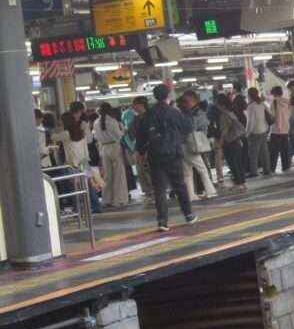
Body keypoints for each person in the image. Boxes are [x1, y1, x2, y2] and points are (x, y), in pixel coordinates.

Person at [135, 85, 197, 232]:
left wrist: (141, 150)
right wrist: (186, 112)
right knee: (180, 185)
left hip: (155, 154)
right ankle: (188, 215)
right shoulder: (173, 112)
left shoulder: (148, 114)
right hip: (173, 153)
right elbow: (187, 127)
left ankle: (162, 221)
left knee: (159, 189)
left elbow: (141, 135)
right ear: (168, 95)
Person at [60, 102, 101, 214]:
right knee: (88, 184)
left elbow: (53, 136)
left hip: (72, 163)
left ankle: (78, 208)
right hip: (84, 160)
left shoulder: (65, 134)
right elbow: (89, 141)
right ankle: (96, 206)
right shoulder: (81, 129)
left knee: (75, 187)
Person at [180, 90, 218, 201]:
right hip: (189, 145)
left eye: (186, 101)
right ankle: (209, 191)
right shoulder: (191, 113)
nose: (185, 103)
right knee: (198, 169)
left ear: (193, 101)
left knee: (189, 171)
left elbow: (198, 127)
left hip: (188, 144)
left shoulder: (195, 113)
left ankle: (192, 195)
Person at [92, 102, 129, 209]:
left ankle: (106, 199)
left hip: (104, 148)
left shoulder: (96, 122)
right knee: (119, 175)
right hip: (115, 147)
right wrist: (123, 130)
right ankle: (119, 199)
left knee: (107, 176)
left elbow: (96, 137)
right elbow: (119, 135)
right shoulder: (113, 121)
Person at [215, 94, 247, 189]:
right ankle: (242, 182)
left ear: (221, 104)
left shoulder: (223, 115)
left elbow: (224, 131)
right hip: (237, 140)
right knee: (238, 161)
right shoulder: (231, 112)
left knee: (233, 162)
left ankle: (238, 183)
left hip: (230, 141)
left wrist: (220, 143)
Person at [246, 87, 271, 176]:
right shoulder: (261, 103)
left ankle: (253, 172)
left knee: (253, 153)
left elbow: (250, 121)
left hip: (255, 132)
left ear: (249, 95)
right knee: (264, 152)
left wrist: (248, 133)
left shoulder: (251, 106)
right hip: (264, 129)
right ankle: (267, 170)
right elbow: (269, 114)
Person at [267, 86, 291, 173]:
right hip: (285, 129)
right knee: (285, 150)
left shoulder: (274, 102)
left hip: (276, 130)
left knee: (274, 151)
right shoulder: (287, 102)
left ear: (275, 93)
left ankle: (272, 168)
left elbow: (272, 116)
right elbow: (289, 115)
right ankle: (286, 166)